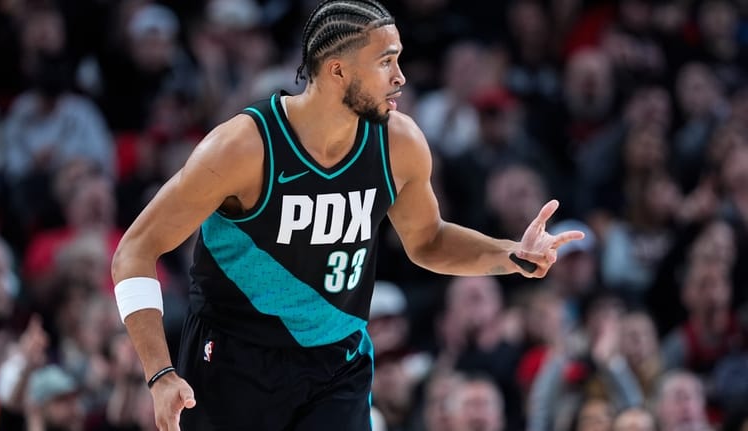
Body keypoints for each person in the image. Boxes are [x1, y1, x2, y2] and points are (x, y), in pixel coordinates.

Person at [110, 1, 584, 430]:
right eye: (385, 62)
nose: (400, 76)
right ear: (337, 71)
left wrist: (511, 255)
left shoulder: (399, 143)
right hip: (235, 360)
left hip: (338, 362)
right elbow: (134, 250)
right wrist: (159, 374)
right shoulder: (244, 147)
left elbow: (428, 241)